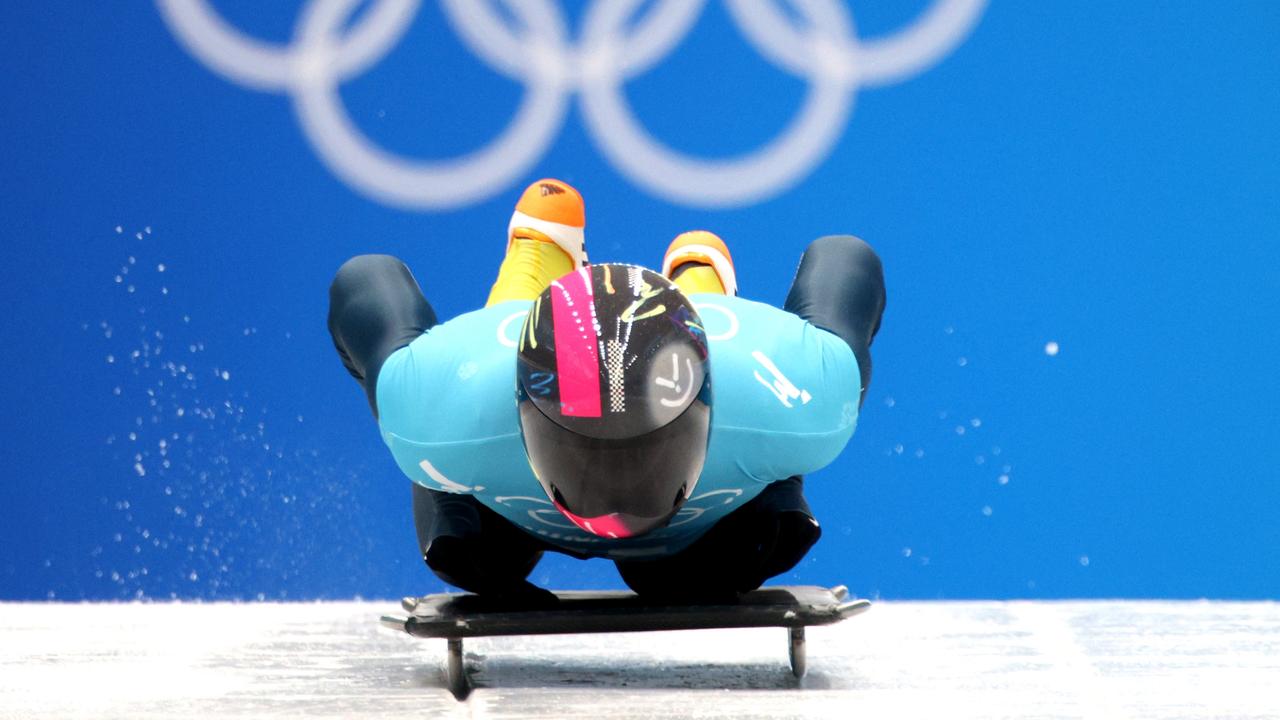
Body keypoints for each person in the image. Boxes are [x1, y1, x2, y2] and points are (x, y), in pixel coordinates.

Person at [328, 179, 885, 602]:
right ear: (522, 410)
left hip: (677, 518)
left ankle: (699, 292)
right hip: (512, 450)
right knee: (469, 557)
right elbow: (362, 282)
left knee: (708, 566)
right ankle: (534, 270)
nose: (616, 495)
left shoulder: (793, 390)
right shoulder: (438, 402)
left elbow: (847, 257)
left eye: (647, 450)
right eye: (582, 448)